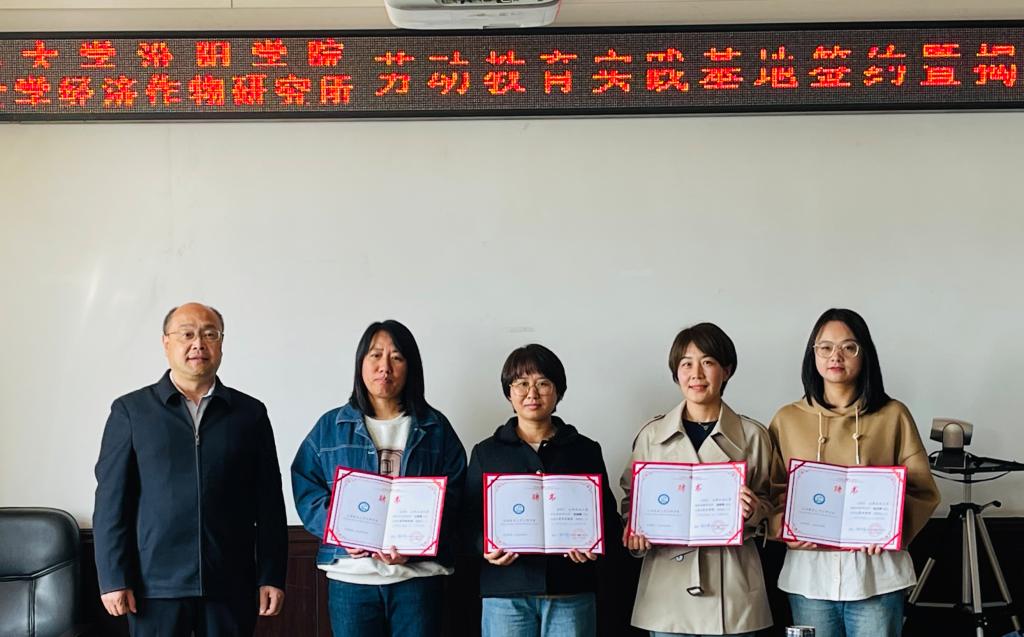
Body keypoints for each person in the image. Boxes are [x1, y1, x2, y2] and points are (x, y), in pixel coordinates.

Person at [93, 302, 288, 637]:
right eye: (187, 334)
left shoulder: (250, 413)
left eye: (210, 334)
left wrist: (271, 574)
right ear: (166, 342)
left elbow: (269, 502)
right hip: (155, 588)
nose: (198, 343)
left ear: (221, 343)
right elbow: (111, 502)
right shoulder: (132, 412)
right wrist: (113, 578)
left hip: (231, 584)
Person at [768, 308, 941, 637]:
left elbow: (922, 489)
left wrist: (890, 529)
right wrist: (784, 528)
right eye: (825, 347)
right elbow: (772, 489)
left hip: (877, 576)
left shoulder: (893, 415)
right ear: (813, 355)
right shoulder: (787, 419)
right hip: (810, 579)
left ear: (865, 354)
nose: (836, 356)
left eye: (849, 347)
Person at [291, 320, 467, 637]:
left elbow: (455, 496)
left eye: (396, 357)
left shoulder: (435, 427)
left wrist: (417, 545)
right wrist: (341, 531)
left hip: (418, 578)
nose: (384, 366)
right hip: (351, 579)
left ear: (411, 367)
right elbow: (307, 488)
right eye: (375, 355)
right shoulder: (331, 426)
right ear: (361, 363)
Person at [620, 322, 773, 637]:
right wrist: (634, 532)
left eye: (708, 362)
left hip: (731, 588)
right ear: (676, 373)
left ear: (726, 371)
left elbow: (773, 503)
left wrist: (754, 510)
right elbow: (630, 501)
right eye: (686, 364)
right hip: (667, 590)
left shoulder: (753, 435)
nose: (696, 374)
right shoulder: (651, 435)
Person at [463, 344, 622, 637]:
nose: (532, 393)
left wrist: (593, 546)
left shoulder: (585, 450)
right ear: (509, 393)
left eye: (543, 383)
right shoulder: (486, 452)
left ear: (558, 392)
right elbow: (468, 521)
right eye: (521, 384)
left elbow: (607, 520)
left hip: (570, 589)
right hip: (506, 591)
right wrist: (483, 546)